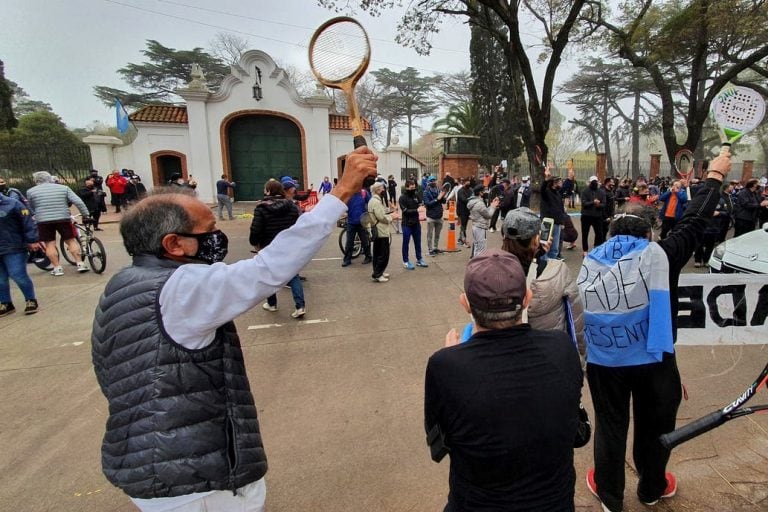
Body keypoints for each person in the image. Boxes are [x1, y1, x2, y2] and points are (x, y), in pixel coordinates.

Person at [91, 145, 377, 512]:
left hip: (151, 459)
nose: (217, 236)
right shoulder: (180, 289)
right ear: (174, 244)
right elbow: (270, 268)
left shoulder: (127, 283)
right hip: (196, 480)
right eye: (207, 230)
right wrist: (342, 191)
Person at [579, 152, 733, 512]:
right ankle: (651, 489)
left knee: (611, 428)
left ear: (612, 232)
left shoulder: (591, 261)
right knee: (656, 428)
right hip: (655, 357)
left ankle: (610, 496)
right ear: (649, 232)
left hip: (605, 359)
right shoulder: (661, 255)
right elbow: (694, 221)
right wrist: (713, 176)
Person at [425, 249, 583, 511]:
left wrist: (454, 356)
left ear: (465, 303)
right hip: (555, 502)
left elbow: (441, 444)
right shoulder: (561, 347)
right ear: (527, 299)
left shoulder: (445, 366)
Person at [501, 207, 584, 353]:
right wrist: (580, 357)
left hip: (508, 353)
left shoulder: (491, 273)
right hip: (550, 352)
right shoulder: (558, 270)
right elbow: (575, 318)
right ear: (536, 239)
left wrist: (536, 254)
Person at [249, 180, 305, 318]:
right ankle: (300, 306)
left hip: (268, 247)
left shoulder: (261, 208)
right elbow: (297, 226)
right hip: (289, 246)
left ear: (268, 191)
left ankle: (272, 303)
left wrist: (255, 243)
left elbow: (255, 230)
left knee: (269, 276)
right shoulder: (291, 206)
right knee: (293, 275)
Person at [26, 171, 91, 276]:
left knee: (50, 244)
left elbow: (31, 206)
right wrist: (85, 215)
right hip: (63, 218)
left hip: (43, 220)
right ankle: (80, 263)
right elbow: (78, 201)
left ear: (36, 180)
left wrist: (36, 214)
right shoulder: (63, 188)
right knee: (71, 241)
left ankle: (57, 268)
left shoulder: (31, 191)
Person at [0, 193, 40, 316]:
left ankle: (30, 300)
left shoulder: (13, 203)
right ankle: (6, 303)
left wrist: (32, 239)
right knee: (0, 279)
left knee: (17, 275)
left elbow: (27, 222)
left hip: (14, 246)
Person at [341, 182, 373, 267]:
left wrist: (370, 213)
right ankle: (347, 259)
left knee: (364, 240)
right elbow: (343, 205)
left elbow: (371, 202)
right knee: (349, 242)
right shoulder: (348, 194)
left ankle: (368, 257)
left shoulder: (364, 193)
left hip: (362, 222)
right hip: (351, 222)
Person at [399, 179, 428, 269]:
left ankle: (419, 259)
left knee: (418, 242)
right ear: (407, 187)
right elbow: (405, 211)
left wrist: (422, 205)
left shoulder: (415, 196)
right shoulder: (402, 198)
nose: (413, 189)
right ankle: (406, 261)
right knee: (406, 243)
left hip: (416, 223)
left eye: (414, 187)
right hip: (406, 224)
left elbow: (420, 204)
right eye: (411, 188)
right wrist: (417, 210)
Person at [367, 181, 392, 282]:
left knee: (377, 253)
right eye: (382, 188)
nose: (384, 190)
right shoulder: (376, 202)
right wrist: (391, 217)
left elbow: (380, 213)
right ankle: (377, 274)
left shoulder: (373, 200)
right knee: (383, 254)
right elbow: (381, 217)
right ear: (377, 190)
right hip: (381, 230)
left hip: (376, 229)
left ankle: (379, 271)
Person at [540, 174, 568, 260]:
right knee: (545, 244)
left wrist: (562, 222)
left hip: (557, 223)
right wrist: (546, 180)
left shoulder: (558, 194)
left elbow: (560, 209)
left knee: (555, 247)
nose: (561, 184)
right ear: (554, 183)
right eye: (560, 182)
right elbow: (542, 190)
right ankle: (543, 263)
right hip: (547, 223)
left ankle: (552, 262)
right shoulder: (547, 193)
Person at [467, 184, 499, 258]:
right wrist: (493, 206)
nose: (484, 192)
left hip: (475, 225)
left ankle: (474, 263)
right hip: (480, 227)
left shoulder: (473, 201)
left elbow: (484, 212)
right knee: (481, 249)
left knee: (477, 246)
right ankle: (478, 265)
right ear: (480, 192)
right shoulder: (479, 204)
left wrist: (491, 205)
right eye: (483, 191)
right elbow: (488, 215)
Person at [580, 176, 607, 255]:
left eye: (596, 181)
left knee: (599, 234)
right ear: (590, 182)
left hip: (597, 216)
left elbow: (604, 204)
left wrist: (598, 205)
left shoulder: (601, 192)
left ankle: (597, 247)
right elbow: (584, 203)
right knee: (585, 234)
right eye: (593, 182)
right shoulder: (584, 191)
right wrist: (593, 202)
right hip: (586, 216)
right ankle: (585, 250)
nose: (594, 183)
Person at [422, 176, 446, 255]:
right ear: (428, 182)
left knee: (437, 234)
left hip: (439, 215)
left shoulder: (438, 190)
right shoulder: (425, 192)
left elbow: (443, 201)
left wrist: (443, 195)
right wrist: (437, 199)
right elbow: (427, 204)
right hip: (431, 216)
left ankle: (435, 247)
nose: (433, 182)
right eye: (431, 181)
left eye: (434, 180)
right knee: (430, 234)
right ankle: (430, 249)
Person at [456, 179, 472, 248]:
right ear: (464, 183)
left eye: (469, 183)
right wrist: (471, 199)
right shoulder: (460, 191)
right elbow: (464, 200)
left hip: (467, 211)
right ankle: (463, 240)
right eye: (467, 183)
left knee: (464, 226)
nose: (468, 184)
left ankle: (460, 239)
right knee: (463, 225)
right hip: (461, 211)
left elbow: (472, 196)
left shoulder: (470, 190)